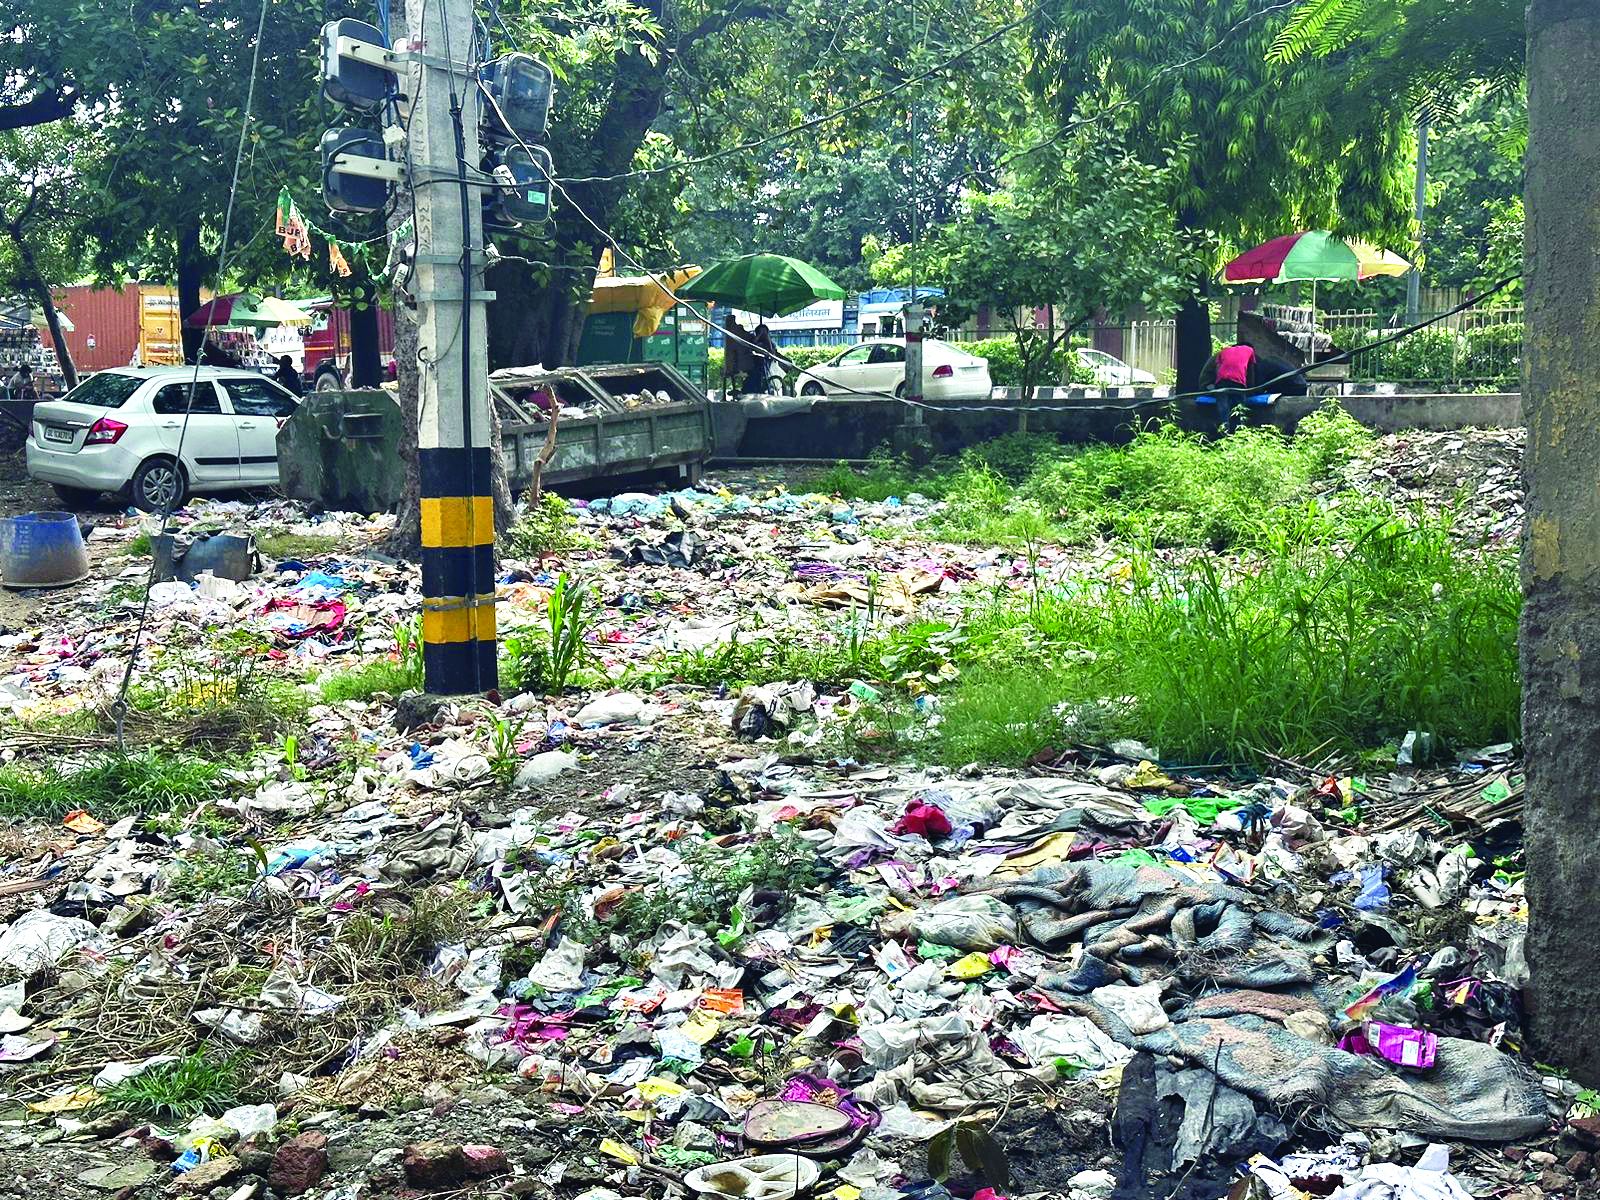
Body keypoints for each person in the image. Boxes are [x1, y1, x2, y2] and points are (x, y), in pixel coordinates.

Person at [722, 315, 751, 395]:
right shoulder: (735, 330)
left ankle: (739, 388)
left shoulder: (729, 331)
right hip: (738, 359)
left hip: (734, 359)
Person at [747, 323, 778, 394]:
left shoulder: (770, 343)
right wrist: (759, 335)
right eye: (761, 332)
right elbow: (753, 346)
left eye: (765, 332)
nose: (763, 334)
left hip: (767, 365)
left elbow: (772, 351)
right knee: (755, 375)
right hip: (754, 364)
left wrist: (767, 338)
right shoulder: (755, 341)